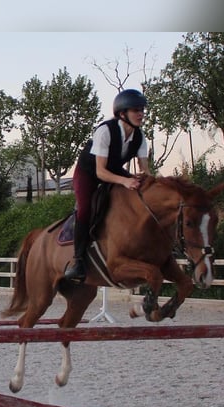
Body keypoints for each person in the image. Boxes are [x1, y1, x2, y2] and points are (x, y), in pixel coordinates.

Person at [64, 88, 151, 283]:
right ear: (122, 114)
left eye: (142, 110)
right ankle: (78, 262)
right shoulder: (105, 131)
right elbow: (100, 172)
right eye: (135, 110)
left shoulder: (140, 136)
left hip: (113, 170)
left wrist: (147, 180)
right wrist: (125, 180)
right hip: (89, 172)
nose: (141, 114)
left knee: (138, 190)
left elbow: (145, 170)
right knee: (85, 209)